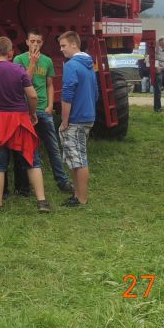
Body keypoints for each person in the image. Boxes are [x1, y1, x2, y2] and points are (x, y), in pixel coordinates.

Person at [0, 36, 51, 212]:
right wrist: (32, 114)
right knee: (32, 160)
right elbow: (32, 96)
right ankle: (42, 201)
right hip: (19, 120)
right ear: (10, 53)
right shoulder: (18, 70)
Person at [13, 29, 75, 195]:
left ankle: (62, 182)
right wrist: (32, 63)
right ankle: (25, 187)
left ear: (42, 43)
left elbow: (49, 85)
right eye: (32, 41)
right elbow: (22, 82)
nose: (35, 44)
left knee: (53, 148)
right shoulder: (18, 60)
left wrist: (49, 106)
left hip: (43, 111)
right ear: (27, 42)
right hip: (25, 111)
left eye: (38, 42)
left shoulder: (47, 61)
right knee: (26, 150)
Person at [58, 31, 97, 207]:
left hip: (76, 118)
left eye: (63, 45)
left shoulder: (71, 65)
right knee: (76, 157)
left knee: (79, 159)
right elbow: (95, 92)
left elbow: (67, 96)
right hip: (88, 116)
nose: (61, 50)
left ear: (74, 44)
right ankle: (77, 194)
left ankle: (81, 198)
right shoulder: (89, 64)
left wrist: (64, 121)